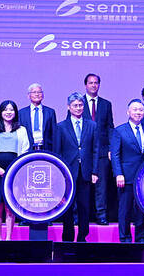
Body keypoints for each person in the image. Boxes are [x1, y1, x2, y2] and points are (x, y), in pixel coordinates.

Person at [54, 93, 97, 242]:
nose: (78, 108)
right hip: (67, 172)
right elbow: (57, 152)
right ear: (68, 107)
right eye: (75, 105)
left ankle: (82, 237)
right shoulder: (60, 126)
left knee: (84, 206)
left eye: (80, 105)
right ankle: (67, 237)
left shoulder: (92, 125)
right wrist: (59, 173)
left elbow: (95, 150)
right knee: (68, 207)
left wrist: (95, 171)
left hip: (85, 172)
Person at [111, 99, 144, 243]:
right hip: (126, 176)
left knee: (141, 210)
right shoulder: (119, 130)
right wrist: (118, 174)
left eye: (141, 110)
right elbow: (115, 154)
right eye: (135, 110)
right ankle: (125, 238)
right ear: (128, 112)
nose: (138, 112)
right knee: (125, 209)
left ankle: (140, 238)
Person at [82, 73, 114, 225]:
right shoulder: (78, 102)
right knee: (82, 184)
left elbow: (109, 127)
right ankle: (79, 216)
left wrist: (110, 148)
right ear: (86, 85)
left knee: (101, 186)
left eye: (96, 83)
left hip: (102, 151)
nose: (93, 85)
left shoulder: (106, 104)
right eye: (90, 83)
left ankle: (101, 215)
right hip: (84, 151)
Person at [0, 100, 29, 241]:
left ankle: (9, 239)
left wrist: (13, 170)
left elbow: (24, 151)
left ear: (15, 112)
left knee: (10, 207)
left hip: (14, 173)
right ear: (0, 112)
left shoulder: (21, 130)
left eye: (11, 109)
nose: (8, 112)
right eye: (5, 109)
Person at [18, 83, 56, 151]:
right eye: (34, 92)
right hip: (27, 149)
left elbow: (54, 133)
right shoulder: (21, 113)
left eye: (39, 92)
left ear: (43, 95)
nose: (37, 94)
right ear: (28, 95)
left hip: (46, 149)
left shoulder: (50, 112)